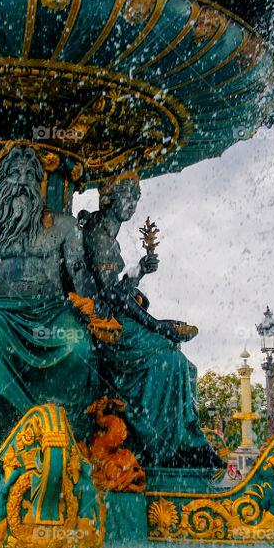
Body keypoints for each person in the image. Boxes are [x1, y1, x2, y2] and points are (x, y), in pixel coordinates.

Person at [0, 142, 100, 453]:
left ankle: (63, 431)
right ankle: (7, 430)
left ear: (40, 181)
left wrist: (92, 300)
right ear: (2, 181)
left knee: (77, 342)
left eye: (30, 173)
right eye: (14, 173)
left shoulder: (65, 227)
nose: (22, 179)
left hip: (52, 309)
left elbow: (79, 273)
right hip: (0, 310)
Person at [79, 173, 222, 469]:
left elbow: (117, 290)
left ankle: (184, 437)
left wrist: (140, 270)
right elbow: (111, 295)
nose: (132, 204)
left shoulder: (106, 233)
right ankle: (162, 444)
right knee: (169, 359)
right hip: (104, 324)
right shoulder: (98, 233)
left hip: (111, 315)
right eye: (127, 196)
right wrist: (156, 324)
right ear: (108, 198)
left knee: (182, 363)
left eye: (136, 198)